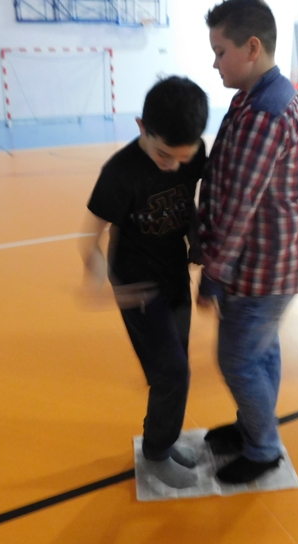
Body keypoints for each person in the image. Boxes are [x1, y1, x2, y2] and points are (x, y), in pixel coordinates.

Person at [197, 0, 298, 484]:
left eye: (220, 51)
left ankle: (263, 447)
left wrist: (212, 271)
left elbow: (239, 203)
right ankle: (254, 426)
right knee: (261, 351)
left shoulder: (265, 111)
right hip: (270, 258)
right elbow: (225, 174)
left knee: (238, 358)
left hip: (264, 265)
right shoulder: (254, 97)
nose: (215, 62)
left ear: (251, 47)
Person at [79, 76, 209, 489]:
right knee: (171, 372)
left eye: (183, 157)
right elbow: (89, 238)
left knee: (177, 365)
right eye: (163, 154)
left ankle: (163, 437)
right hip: (137, 286)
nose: (173, 166)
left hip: (173, 274)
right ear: (141, 127)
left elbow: (195, 199)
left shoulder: (193, 153)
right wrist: (97, 281)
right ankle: (156, 453)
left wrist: (198, 241)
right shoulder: (120, 172)